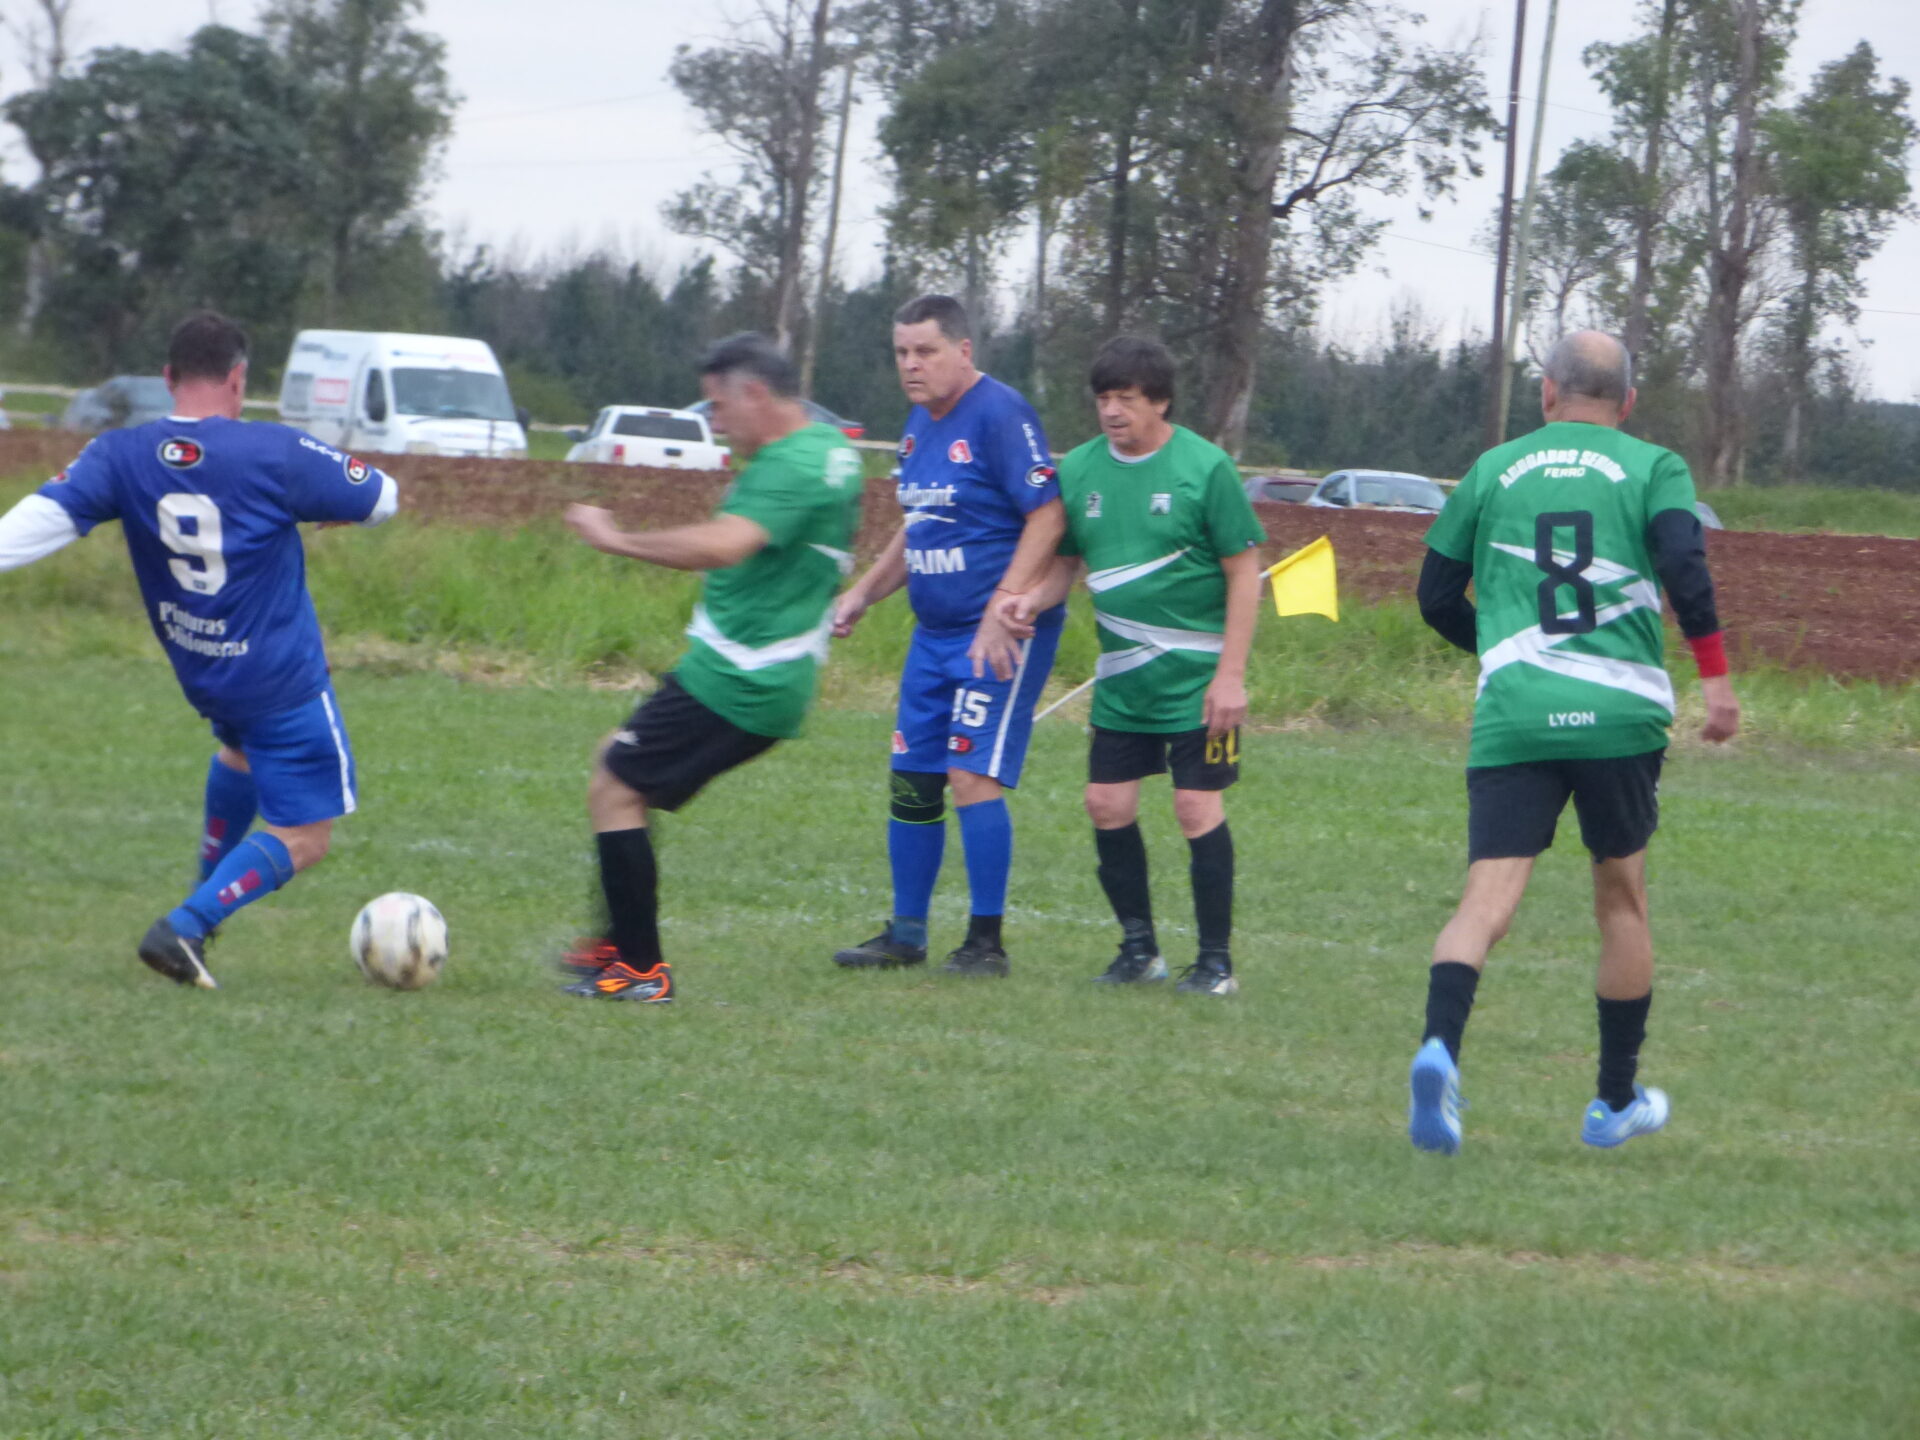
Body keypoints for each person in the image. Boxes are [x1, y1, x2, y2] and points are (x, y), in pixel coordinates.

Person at [1407, 329, 1740, 1154]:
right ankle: (1613, 1102)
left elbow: (1435, 595)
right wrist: (1716, 678)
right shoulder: (1656, 467)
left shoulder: (1493, 468)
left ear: (1547, 392)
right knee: (1621, 899)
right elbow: (1684, 566)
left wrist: (1502, 652)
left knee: (1485, 903)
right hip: (1620, 714)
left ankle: (1439, 1050)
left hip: (1516, 711)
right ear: (1628, 402)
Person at [0, 310, 400, 988]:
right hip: (279, 679)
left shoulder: (117, 454)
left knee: (238, 754)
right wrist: (331, 508)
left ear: (168, 378)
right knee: (307, 836)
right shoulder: (275, 451)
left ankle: (198, 906)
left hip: (204, 671)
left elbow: (37, 524)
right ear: (238, 379)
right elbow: (383, 497)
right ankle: (187, 925)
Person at [558, 332, 864, 1003]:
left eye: (718, 406)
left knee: (616, 786)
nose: (715, 424)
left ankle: (641, 969)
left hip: (744, 677)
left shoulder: (794, 465)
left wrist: (617, 539)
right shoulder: (826, 449)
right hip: (745, 669)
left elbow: (726, 544)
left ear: (754, 394)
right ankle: (617, 942)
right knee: (616, 759)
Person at [999, 337, 1266, 995]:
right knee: (1105, 803)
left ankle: (1215, 964)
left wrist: (1231, 676)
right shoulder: (1082, 470)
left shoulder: (1205, 469)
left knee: (1195, 808)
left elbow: (1244, 572)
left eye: (1127, 398)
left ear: (1160, 402)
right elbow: (1065, 565)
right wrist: (1031, 599)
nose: (1112, 411)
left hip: (1198, 680)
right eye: (1104, 399)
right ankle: (1139, 951)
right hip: (1123, 678)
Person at [828, 295, 1066, 979]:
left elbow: (1048, 516)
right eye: (902, 352)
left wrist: (1002, 604)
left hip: (998, 632)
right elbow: (919, 527)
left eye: (925, 351)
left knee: (969, 773)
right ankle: (905, 934)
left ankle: (986, 943)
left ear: (963, 351)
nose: (911, 364)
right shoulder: (916, 426)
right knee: (913, 778)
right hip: (932, 636)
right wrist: (863, 592)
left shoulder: (1000, 413)